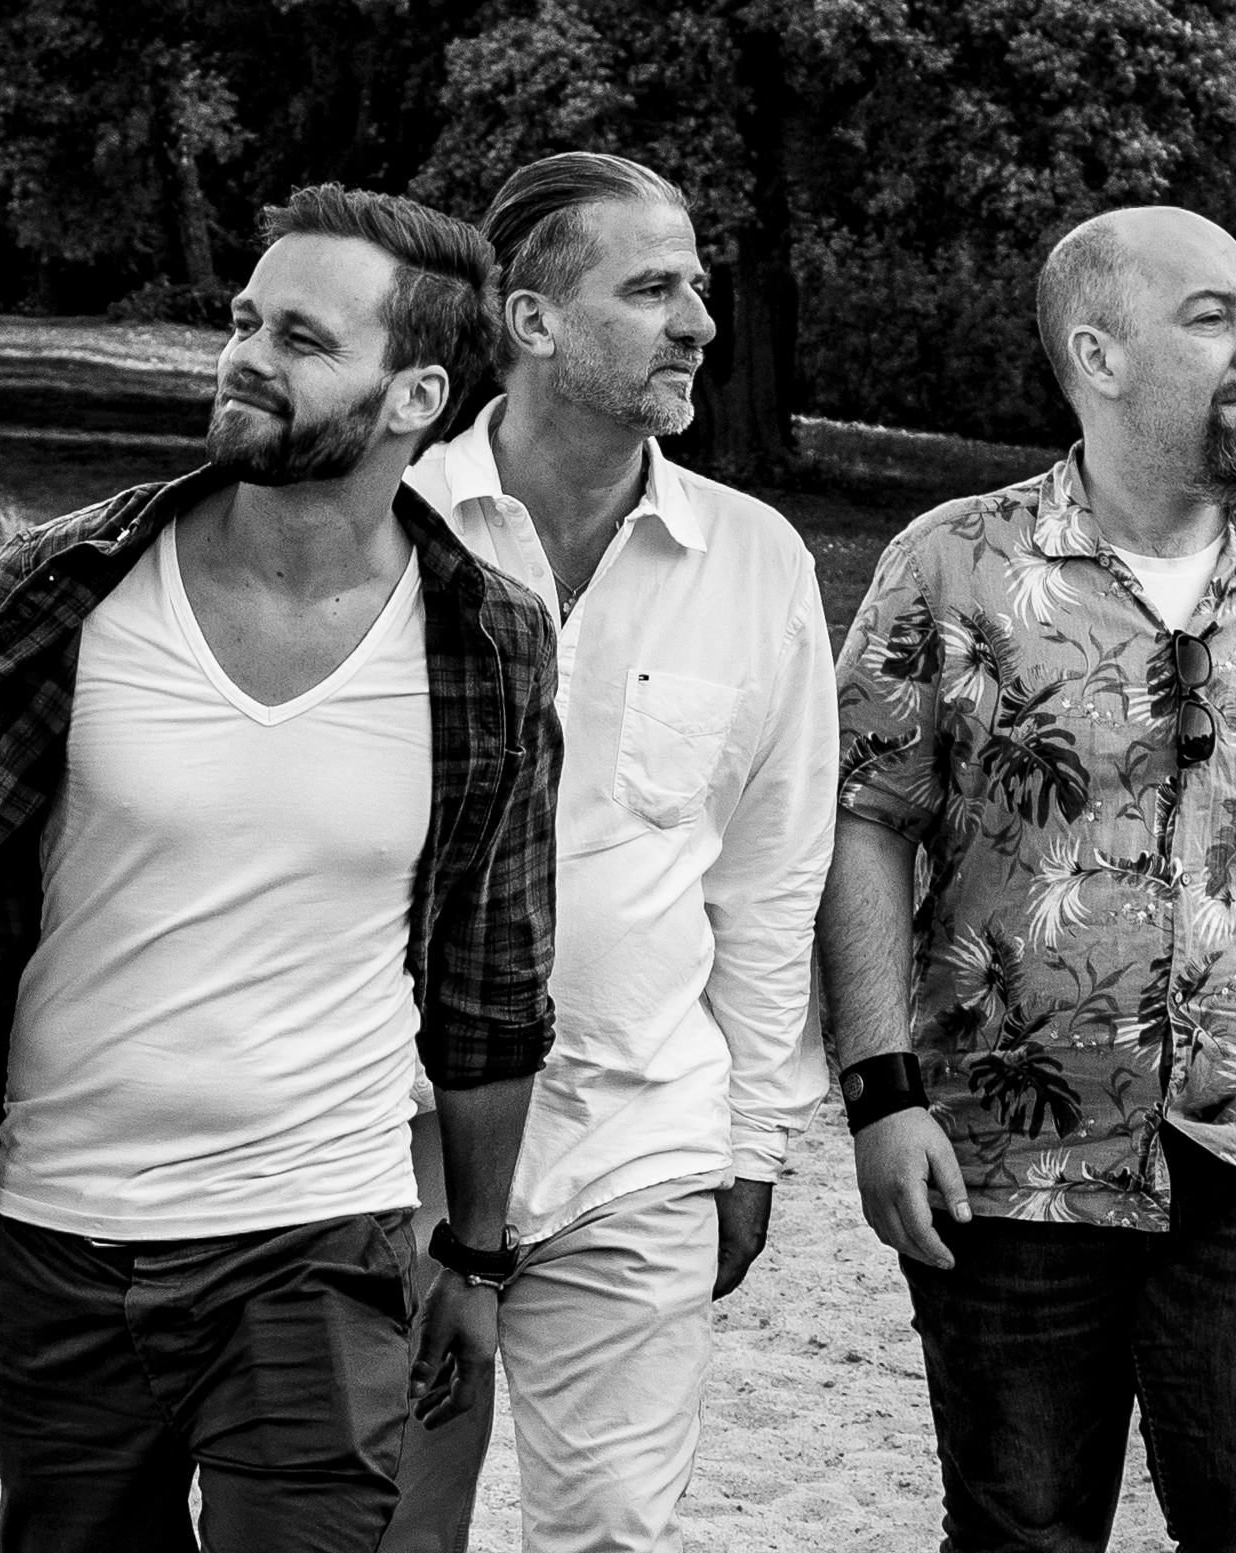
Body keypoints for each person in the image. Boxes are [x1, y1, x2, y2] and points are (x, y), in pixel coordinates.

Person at [0, 185, 559, 1553]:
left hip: (317, 1241)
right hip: (64, 1239)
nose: (245, 357)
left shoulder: (486, 641)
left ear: (416, 396)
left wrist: (474, 1251)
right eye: (244, 321)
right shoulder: (76, 586)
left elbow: (492, 979)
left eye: (300, 339)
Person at [821, 204, 1236, 1553]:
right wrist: (879, 1094)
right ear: (1098, 356)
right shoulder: (950, 564)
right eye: (1212, 317)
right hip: (1006, 1165)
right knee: (1022, 1537)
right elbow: (864, 819)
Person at [377, 153, 833, 1553]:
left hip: (641, 1141)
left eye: (695, 285)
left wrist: (751, 1140)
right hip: (386, 1143)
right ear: (530, 319)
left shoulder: (755, 562)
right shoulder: (384, 534)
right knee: (385, 1530)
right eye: (650, 290)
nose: (698, 321)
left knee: (613, 1539)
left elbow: (770, 877)